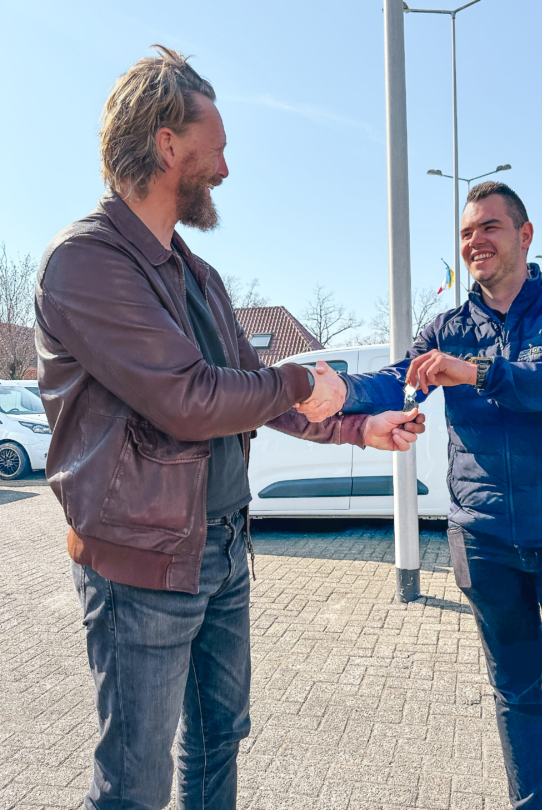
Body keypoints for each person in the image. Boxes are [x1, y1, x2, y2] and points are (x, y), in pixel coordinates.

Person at [34, 46, 422, 810]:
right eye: (217, 148)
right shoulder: (84, 263)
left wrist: (357, 429)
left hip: (222, 546)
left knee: (219, 742)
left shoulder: (198, 274)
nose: (226, 168)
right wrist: (304, 379)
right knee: (134, 782)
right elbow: (189, 397)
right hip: (141, 565)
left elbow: (255, 393)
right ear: (166, 143)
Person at [299, 182, 542, 810]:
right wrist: (337, 390)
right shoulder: (448, 328)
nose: (475, 241)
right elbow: (394, 380)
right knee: (516, 697)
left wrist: (480, 372)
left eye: (490, 227)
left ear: (525, 234)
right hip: (485, 543)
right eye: (467, 233)